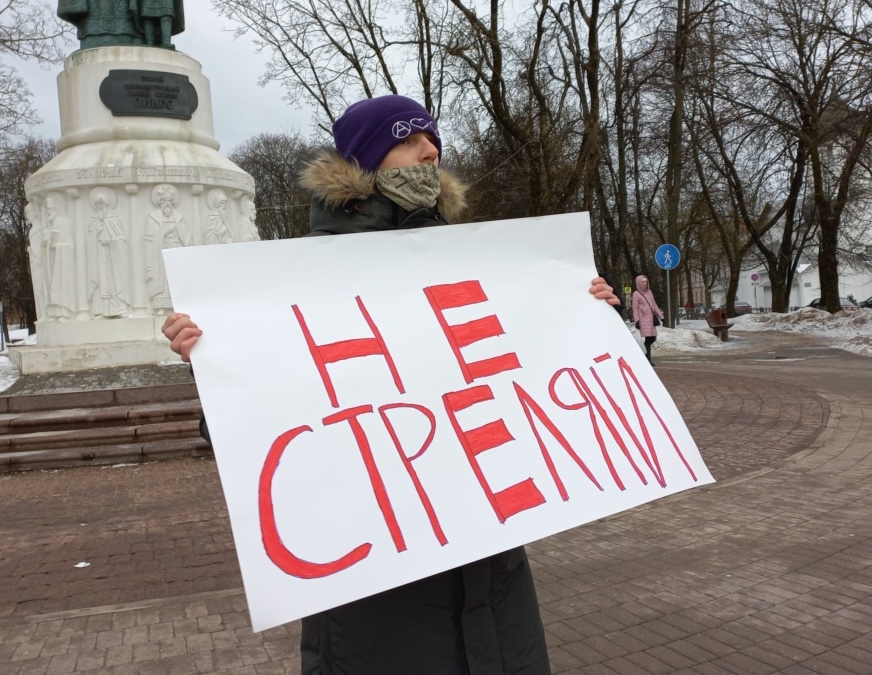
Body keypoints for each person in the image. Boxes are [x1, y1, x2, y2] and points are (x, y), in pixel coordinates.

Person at [162, 94, 618, 675]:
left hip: (495, 585)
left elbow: (548, 384)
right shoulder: (293, 282)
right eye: (409, 140)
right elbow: (253, 437)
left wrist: (591, 320)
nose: (431, 151)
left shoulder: (477, 266)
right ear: (363, 161)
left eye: (434, 141)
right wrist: (215, 363)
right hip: (376, 599)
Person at [631, 274, 664, 364]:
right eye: (643, 282)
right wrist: (637, 320)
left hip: (651, 319)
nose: (645, 283)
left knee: (652, 338)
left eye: (646, 282)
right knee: (649, 339)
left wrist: (662, 317)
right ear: (639, 283)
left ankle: (645, 356)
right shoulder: (636, 294)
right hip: (642, 319)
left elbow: (654, 305)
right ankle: (647, 359)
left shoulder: (649, 292)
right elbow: (635, 308)